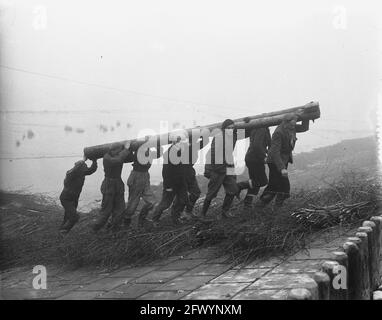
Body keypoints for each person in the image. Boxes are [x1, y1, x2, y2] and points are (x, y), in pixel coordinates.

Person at [259, 112, 309, 207]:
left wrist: (306, 117)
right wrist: (282, 168)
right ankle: (263, 204)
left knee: (279, 185)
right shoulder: (279, 132)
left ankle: (275, 206)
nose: (295, 124)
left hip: (283, 160)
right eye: (293, 121)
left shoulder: (291, 127)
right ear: (287, 122)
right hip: (274, 161)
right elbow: (275, 152)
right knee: (279, 185)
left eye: (296, 121)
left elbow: (304, 128)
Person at [200, 119, 240, 219]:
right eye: (228, 128)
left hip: (229, 167)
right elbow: (210, 154)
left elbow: (246, 132)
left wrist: (248, 122)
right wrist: (208, 169)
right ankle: (202, 214)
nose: (230, 130)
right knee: (211, 193)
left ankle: (224, 212)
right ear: (224, 129)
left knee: (233, 189)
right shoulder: (219, 138)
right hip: (217, 169)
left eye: (232, 128)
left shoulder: (233, 136)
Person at [92, 141, 131, 232]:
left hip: (118, 183)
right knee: (106, 210)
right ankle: (95, 228)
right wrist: (125, 149)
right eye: (118, 150)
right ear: (113, 150)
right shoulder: (107, 157)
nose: (119, 152)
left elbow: (129, 158)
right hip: (109, 184)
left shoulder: (118, 155)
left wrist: (130, 149)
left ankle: (114, 227)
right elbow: (117, 161)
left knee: (120, 208)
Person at [151, 134, 189, 226]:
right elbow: (166, 172)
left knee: (183, 200)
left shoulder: (182, 151)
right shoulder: (169, 154)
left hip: (181, 182)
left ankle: (175, 217)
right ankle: (155, 219)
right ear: (174, 142)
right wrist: (168, 186)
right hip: (171, 184)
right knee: (165, 204)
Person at [123, 139, 163, 229]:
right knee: (133, 203)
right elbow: (128, 158)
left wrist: (158, 144)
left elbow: (159, 153)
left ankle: (141, 220)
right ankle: (126, 223)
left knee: (151, 201)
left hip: (145, 176)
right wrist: (128, 148)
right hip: (136, 176)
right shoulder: (138, 152)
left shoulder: (148, 151)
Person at [59, 157, 97, 234]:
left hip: (74, 198)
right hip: (66, 199)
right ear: (79, 168)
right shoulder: (70, 174)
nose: (85, 170)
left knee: (68, 217)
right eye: (84, 168)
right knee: (74, 217)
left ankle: (63, 232)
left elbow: (91, 170)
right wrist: (82, 161)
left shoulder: (81, 173)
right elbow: (75, 170)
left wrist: (94, 161)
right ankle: (62, 231)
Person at [237, 126, 271, 210]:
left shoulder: (260, 128)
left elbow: (260, 146)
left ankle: (247, 203)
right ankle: (238, 186)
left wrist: (267, 153)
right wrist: (264, 156)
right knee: (262, 181)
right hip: (254, 159)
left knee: (256, 182)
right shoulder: (261, 129)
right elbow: (257, 146)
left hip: (253, 158)